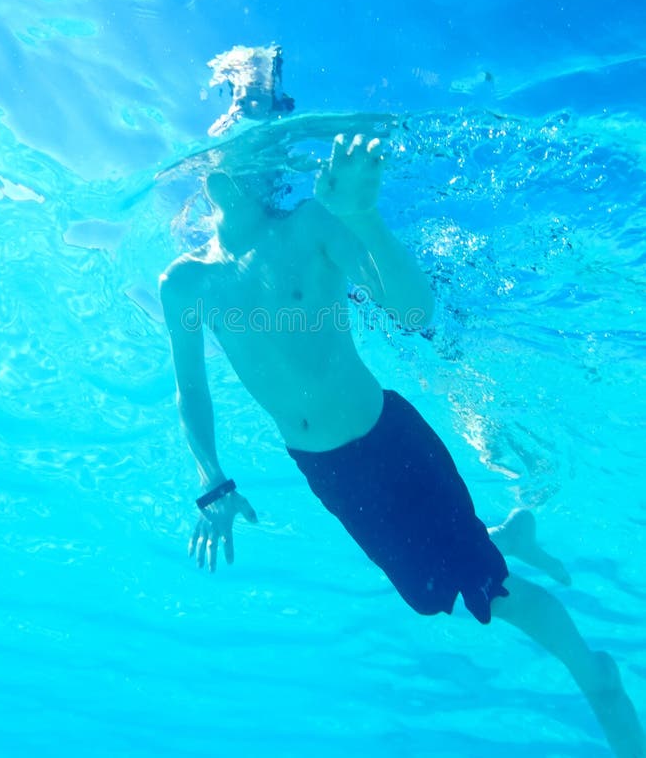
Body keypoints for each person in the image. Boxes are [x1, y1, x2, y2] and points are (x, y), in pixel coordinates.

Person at [160, 133, 644, 757]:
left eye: (261, 137)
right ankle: (504, 539)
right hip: (326, 472)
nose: (242, 152)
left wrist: (363, 216)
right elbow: (190, 390)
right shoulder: (186, 284)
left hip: (389, 442)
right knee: (428, 593)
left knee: (485, 590)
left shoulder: (311, 225)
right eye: (229, 132)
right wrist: (212, 478)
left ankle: (596, 676)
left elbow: (413, 312)